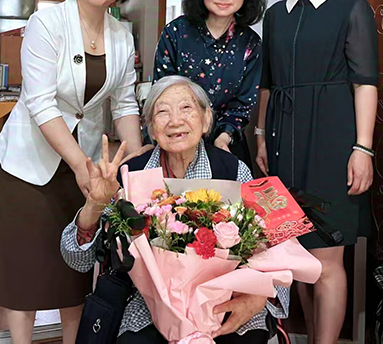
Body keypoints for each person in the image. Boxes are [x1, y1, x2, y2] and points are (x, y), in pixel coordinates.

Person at [0, 0, 144, 344]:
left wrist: (134, 163)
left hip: (86, 166)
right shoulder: (46, 22)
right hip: (30, 164)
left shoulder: (121, 35)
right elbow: (40, 102)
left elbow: (124, 104)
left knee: (74, 270)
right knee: (24, 270)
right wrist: (79, 164)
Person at [61, 76, 289, 344]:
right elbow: (78, 260)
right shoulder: (130, 175)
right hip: (150, 302)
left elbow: (280, 244)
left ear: (206, 120)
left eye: (186, 108)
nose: (175, 120)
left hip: (226, 298)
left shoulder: (234, 169)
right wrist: (94, 204)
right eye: (162, 112)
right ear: (151, 128)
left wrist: (258, 296)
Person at [254, 0, 378, 344]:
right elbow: (267, 84)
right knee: (295, 256)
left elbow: (365, 82)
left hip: (332, 143)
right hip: (282, 145)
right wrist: (260, 136)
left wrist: (363, 148)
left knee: (326, 262)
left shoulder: (351, 8)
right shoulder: (275, 15)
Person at [153, 0, 266, 166]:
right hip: (176, 143)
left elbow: (242, 106)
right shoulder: (176, 33)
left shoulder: (251, 44)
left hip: (225, 146)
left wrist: (223, 137)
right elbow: (161, 95)